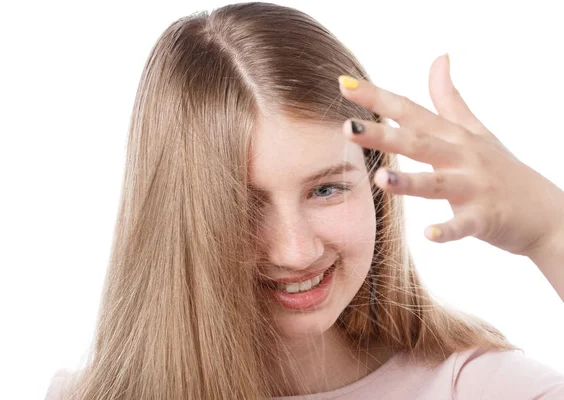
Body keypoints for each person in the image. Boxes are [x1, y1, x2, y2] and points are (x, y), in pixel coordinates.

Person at [45, 2, 564, 399]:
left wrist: (552, 233)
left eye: (326, 189)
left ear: (377, 186)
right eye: (243, 204)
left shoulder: (473, 388)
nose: (295, 251)